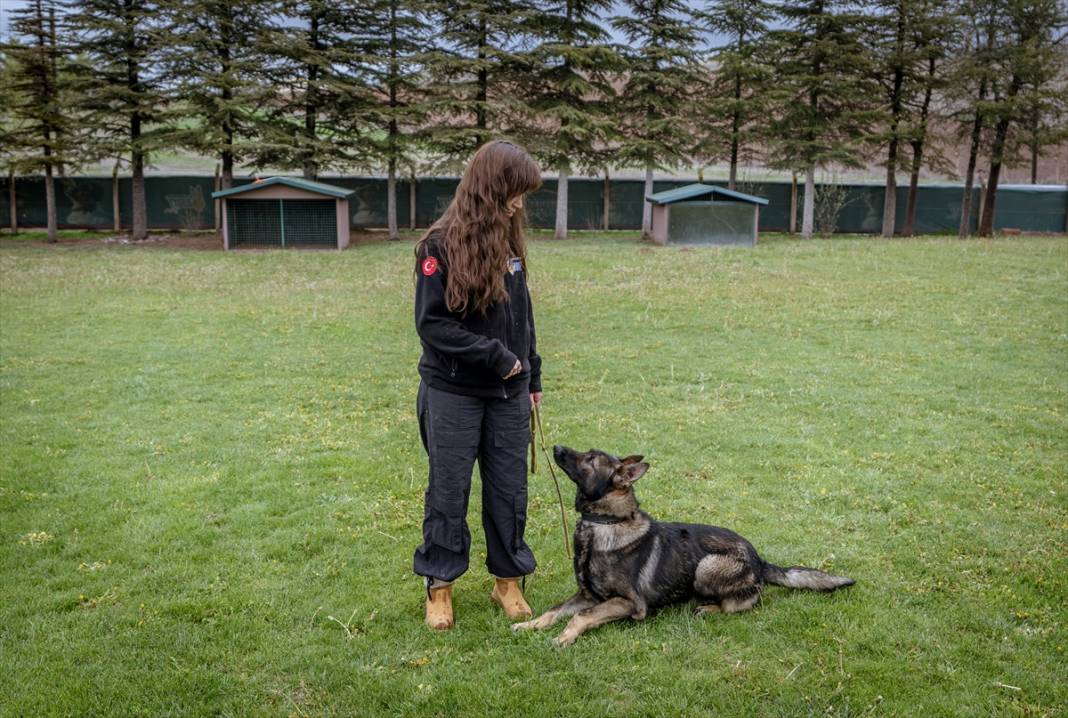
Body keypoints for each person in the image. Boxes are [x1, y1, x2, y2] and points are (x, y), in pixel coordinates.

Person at [411, 139, 544, 630]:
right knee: (448, 494)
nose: (520, 203)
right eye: (516, 192)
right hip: (454, 394)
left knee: (510, 492)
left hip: (511, 393)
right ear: (494, 188)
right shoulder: (437, 246)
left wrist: (531, 371)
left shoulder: (509, 243)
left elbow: (522, 317)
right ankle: (439, 586)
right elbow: (433, 325)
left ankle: (507, 582)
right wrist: (495, 357)